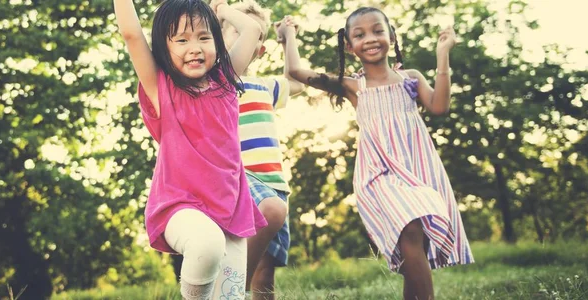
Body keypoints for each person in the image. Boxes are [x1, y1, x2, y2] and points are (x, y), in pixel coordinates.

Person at [277, 7, 474, 300]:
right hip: (379, 175)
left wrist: (443, 54)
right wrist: (288, 36)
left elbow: (439, 106)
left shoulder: (410, 78)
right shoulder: (353, 86)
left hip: (418, 172)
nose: (370, 39)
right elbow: (296, 72)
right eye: (360, 34)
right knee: (409, 226)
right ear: (348, 45)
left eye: (378, 31)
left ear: (392, 37)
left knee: (414, 243)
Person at [113, 0, 268, 298]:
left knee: (230, 296)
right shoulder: (161, 89)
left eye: (204, 37)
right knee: (206, 243)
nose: (194, 47)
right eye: (182, 40)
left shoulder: (225, 81)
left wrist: (221, 9)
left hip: (232, 211)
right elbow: (131, 34)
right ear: (163, 49)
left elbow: (252, 27)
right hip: (180, 206)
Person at [218, 2, 304, 299]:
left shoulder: (264, 85)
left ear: (260, 50)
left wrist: (288, 37)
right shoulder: (218, 83)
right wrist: (222, 10)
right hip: (240, 179)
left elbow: (297, 81)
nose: (246, 36)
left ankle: (237, 288)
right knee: (270, 210)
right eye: (236, 30)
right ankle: (229, 290)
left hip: (274, 183)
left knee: (266, 270)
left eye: (253, 35)